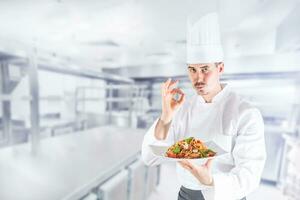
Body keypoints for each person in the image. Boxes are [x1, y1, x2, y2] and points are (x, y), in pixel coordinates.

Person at [141, 12, 266, 200]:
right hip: (185, 194)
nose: (198, 78)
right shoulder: (182, 108)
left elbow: (250, 175)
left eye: (205, 69)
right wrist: (166, 117)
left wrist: (210, 181)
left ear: (220, 68)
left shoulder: (245, 113)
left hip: (225, 195)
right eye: (192, 69)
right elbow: (150, 157)